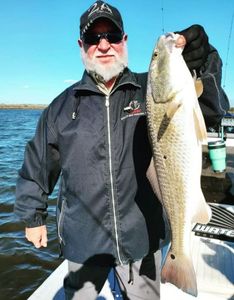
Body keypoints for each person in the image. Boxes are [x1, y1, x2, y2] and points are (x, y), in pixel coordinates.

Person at [14, 1, 230, 299]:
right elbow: (37, 162)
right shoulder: (61, 107)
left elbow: (210, 109)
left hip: (141, 236)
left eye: (113, 36)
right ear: (82, 45)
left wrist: (203, 62)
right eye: (94, 38)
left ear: (124, 41)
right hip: (83, 242)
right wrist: (32, 216)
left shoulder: (149, 89)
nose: (104, 45)